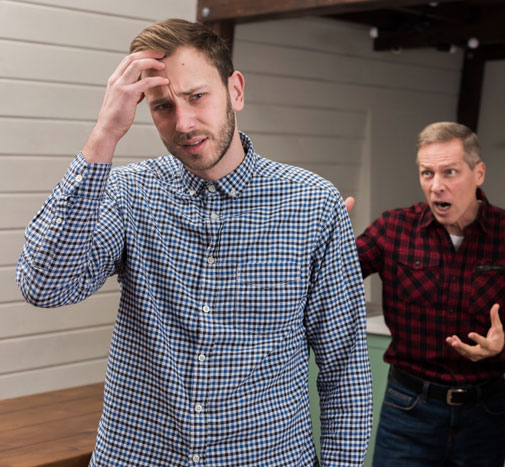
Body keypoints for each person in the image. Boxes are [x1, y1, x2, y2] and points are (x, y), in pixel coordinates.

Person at [16, 18, 372, 466]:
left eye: (197, 97)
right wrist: (104, 134)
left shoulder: (313, 204)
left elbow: (345, 370)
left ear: (235, 90)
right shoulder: (128, 193)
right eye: (163, 106)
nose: (183, 123)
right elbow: (44, 285)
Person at [354, 121, 505, 466]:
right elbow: (331, 276)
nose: (436, 186)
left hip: (483, 412)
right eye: (426, 173)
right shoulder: (393, 229)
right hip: (408, 408)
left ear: (479, 173)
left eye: (450, 172)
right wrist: (322, 233)